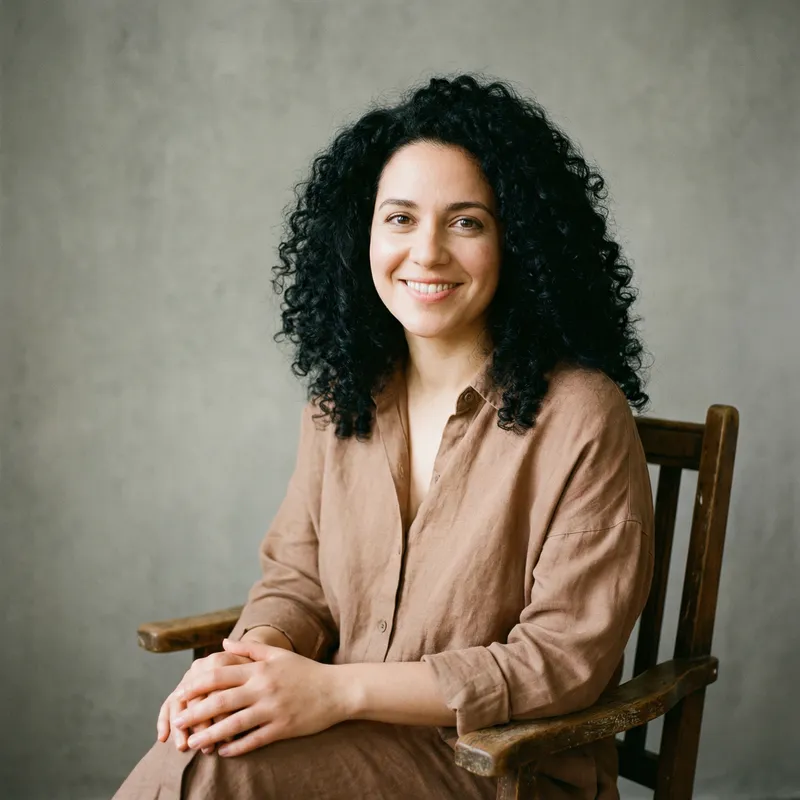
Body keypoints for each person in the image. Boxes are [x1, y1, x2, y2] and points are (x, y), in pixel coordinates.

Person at [114, 73, 654, 799]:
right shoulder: (341, 402)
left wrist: (337, 693)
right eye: (399, 218)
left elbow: (560, 661)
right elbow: (296, 583)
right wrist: (252, 666)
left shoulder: (584, 415)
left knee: (213, 770)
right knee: (208, 743)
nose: (426, 253)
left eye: (467, 222)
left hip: (502, 766)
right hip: (344, 745)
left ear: (519, 240)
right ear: (360, 234)